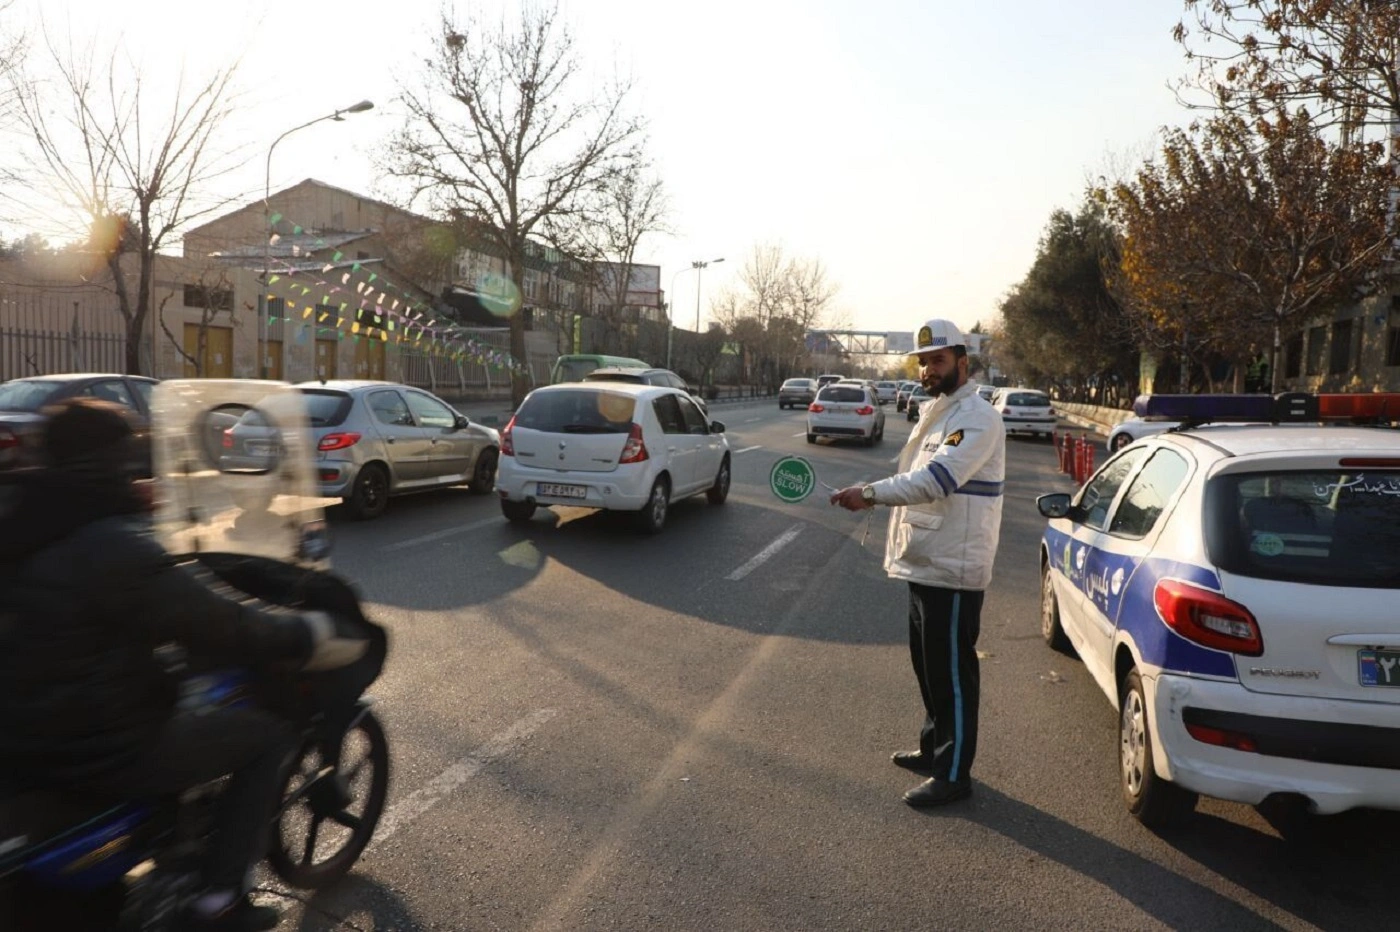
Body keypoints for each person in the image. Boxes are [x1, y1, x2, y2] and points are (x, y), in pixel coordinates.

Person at [0, 398, 361, 932]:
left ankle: (177, 844)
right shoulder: (108, 544)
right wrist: (305, 633)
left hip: (18, 737)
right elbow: (221, 622)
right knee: (264, 737)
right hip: (101, 745)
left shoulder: (24, 516)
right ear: (115, 461)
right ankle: (221, 900)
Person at [830, 319, 1006, 808]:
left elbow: (935, 481)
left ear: (962, 363)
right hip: (925, 559)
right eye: (924, 361)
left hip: (954, 566)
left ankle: (954, 773)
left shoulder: (977, 418)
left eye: (939, 360)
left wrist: (867, 494)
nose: (929, 369)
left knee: (952, 675)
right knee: (928, 668)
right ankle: (933, 751)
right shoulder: (937, 412)